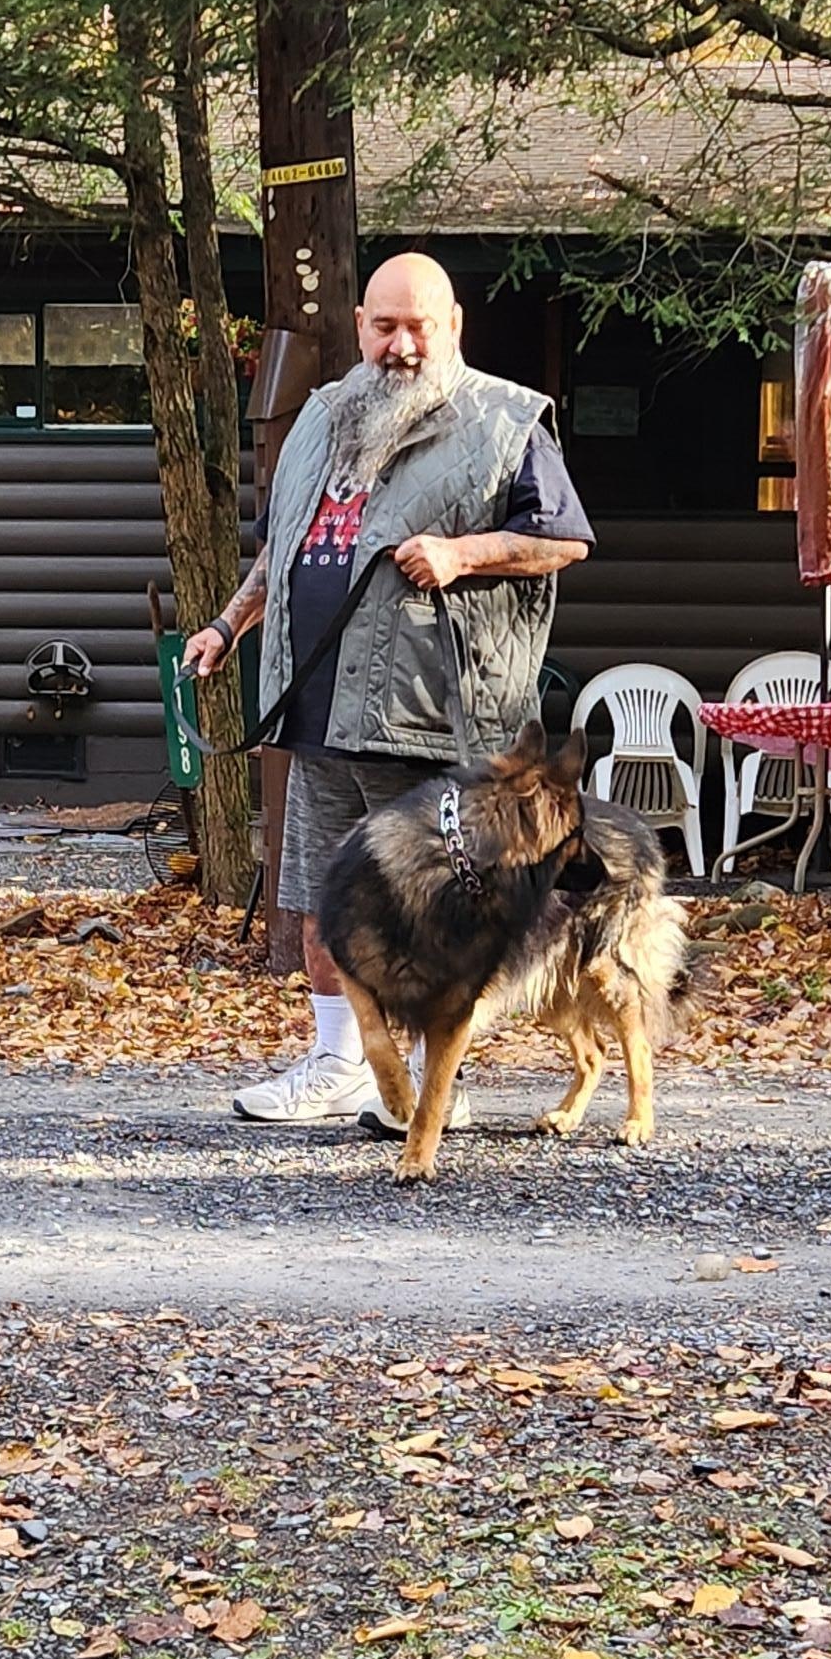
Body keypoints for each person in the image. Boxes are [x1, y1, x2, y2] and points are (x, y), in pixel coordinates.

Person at [183, 251, 593, 1122]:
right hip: (320, 703)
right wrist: (228, 627)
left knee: (437, 900)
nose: (401, 344)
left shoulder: (507, 420)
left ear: (452, 327)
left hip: (433, 712)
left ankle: (434, 1081)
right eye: (384, 325)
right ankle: (339, 1066)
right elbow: (285, 549)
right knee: (323, 896)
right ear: (361, 326)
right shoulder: (326, 415)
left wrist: (464, 552)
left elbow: (563, 541)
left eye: (419, 325)